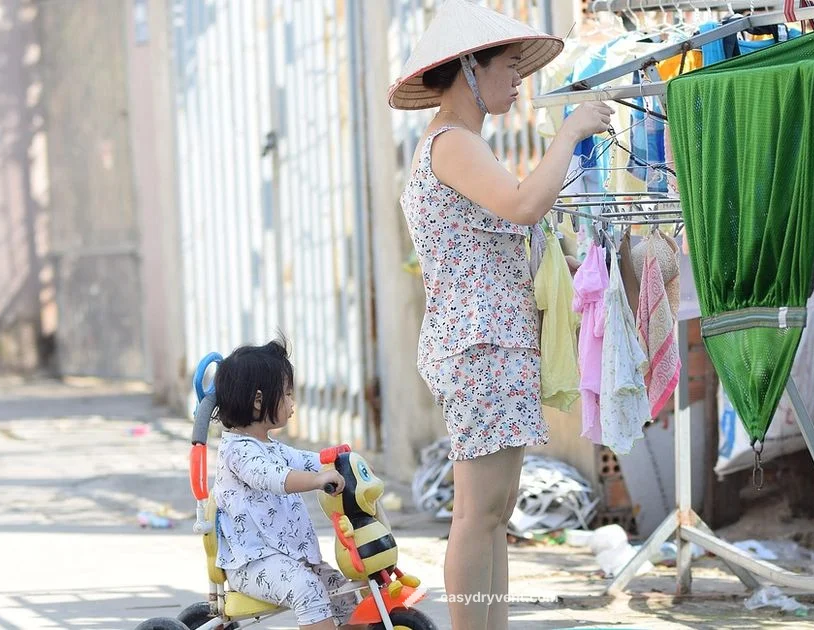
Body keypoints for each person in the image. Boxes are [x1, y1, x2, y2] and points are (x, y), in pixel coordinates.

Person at [387, 2, 612, 628]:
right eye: (508, 66)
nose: (518, 80)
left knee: (494, 512)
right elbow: (522, 205)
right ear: (468, 67)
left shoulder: (462, 144)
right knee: (477, 512)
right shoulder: (452, 143)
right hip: (479, 343)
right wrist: (569, 134)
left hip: (493, 341)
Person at [210, 338, 366, 630]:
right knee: (308, 589)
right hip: (253, 563)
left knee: (341, 590)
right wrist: (317, 480)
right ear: (259, 401)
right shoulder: (238, 451)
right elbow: (273, 477)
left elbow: (305, 460)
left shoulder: (270, 446)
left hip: (290, 557)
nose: (293, 402)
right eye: (288, 394)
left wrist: (339, 461)